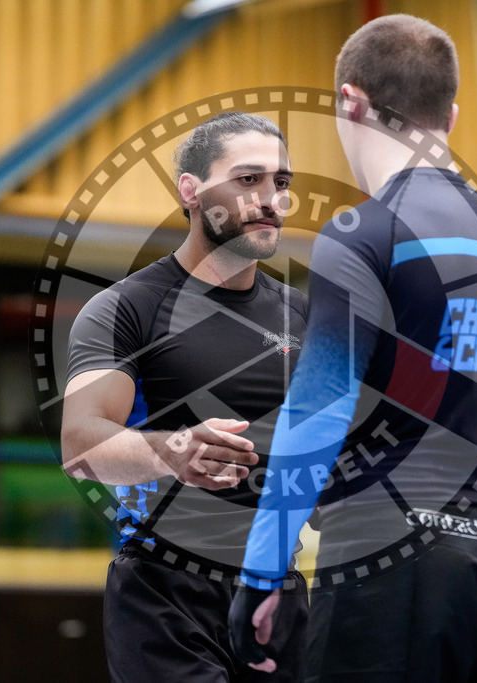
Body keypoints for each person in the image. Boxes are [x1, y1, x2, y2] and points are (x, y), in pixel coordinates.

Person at [229, 14, 477, 682]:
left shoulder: (365, 235)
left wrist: (264, 568)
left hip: (389, 558)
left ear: (350, 101)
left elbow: (316, 416)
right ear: (450, 116)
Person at [61, 111, 310, 682]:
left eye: (281, 182)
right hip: (164, 589)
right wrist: (171, 452)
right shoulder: (127, 308)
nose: (270, 198)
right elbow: (80, 443)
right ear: (191, 190)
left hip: (278, 592)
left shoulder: (305, 316)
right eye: (247, 179)